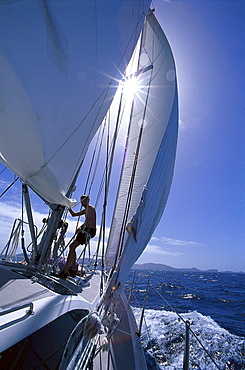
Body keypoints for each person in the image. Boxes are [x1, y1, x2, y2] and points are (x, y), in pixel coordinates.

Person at [58, 195, 96, 279]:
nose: (82, 202)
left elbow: (89, 221)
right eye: (81, 201)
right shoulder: (86, 210)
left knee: (72, 246)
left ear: (87, 201)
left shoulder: (90, 208)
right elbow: (74, 215)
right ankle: (73, 270)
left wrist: (81, 228)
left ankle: (65, 272)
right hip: (87, 229)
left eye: (83, 201)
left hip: (89, 230)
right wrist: (68, 207)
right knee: (72, 247)